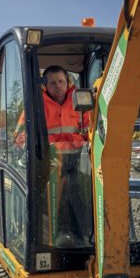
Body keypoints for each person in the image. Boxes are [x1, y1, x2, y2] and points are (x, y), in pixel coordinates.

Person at [42, 65, 92, 247]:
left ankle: (83, 236)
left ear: (67, 82)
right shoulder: (38, 105)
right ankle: (54, 238)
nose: (58, 86)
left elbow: (91, 130)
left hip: (78, 161)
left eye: (61, 81)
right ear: (45, 85)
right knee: (52, 199)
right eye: (53, 82)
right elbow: (22, 135)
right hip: (49, 163)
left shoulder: (80, 102)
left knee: (82, 194)